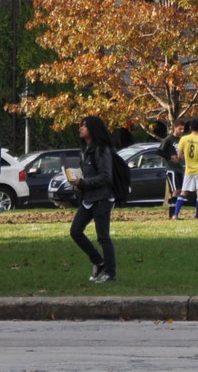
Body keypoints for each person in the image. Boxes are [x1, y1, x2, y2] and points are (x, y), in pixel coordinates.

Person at [69, 116, 119, 283]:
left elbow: (106, 177)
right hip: (89, 198)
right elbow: (88, 174)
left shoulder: (101, 149)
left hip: (103, 198)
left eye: (83, 126)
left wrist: (83, 183)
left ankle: (110, 273)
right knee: (75, 231)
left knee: (103, 236)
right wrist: (79, 185)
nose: (80, 128)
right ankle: (99, 262)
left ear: (92, 128)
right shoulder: (85, 149)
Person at [171, 121, 198, 219]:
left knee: (184, 192)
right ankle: (197, 216)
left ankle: (175, 214)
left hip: (189, 169)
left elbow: (180, 156)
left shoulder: (184, 139)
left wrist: (189, 159)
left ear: (189, 127)